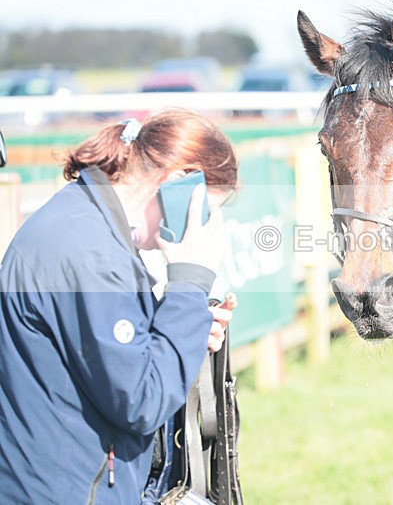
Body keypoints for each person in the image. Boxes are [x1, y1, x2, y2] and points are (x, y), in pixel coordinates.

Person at [0, 108, 239, 503]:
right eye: (206, 209)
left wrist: (188, 325)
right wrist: (190, 280)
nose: (205, 224)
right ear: (178, 183)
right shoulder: (87, 250)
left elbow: (114, 359)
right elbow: (142, 400)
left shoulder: (89, 225)